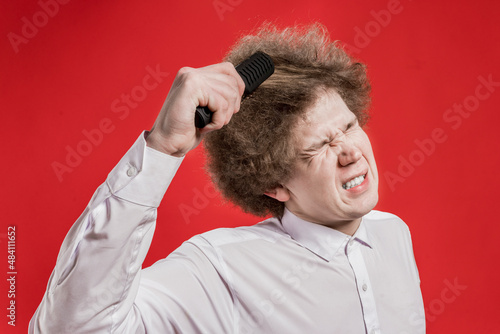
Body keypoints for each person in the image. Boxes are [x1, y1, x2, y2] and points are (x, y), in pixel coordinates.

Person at [30, 23, 425, 333]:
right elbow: (73, 327)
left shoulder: (393, 234)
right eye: (318, 147)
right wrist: (163, 147)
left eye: (350, 126)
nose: (352, 152)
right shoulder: (221, 269)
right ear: (275, 184)